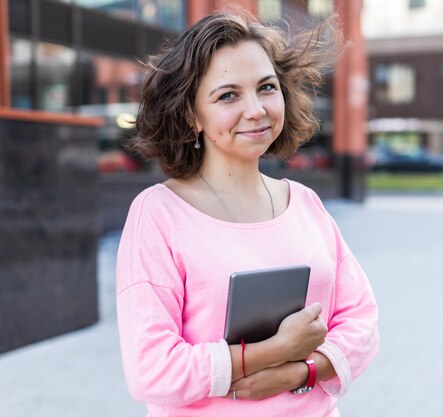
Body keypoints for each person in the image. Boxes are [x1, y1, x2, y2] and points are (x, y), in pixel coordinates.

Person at [115, 10, 379, 417]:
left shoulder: (305, 203)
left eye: (266, 88)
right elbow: (152, 371)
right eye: (228, 95)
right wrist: (272, 351)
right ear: (191, 114)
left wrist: (300, 372)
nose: (255, 109)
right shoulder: (159, 214)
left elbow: (361, 321)